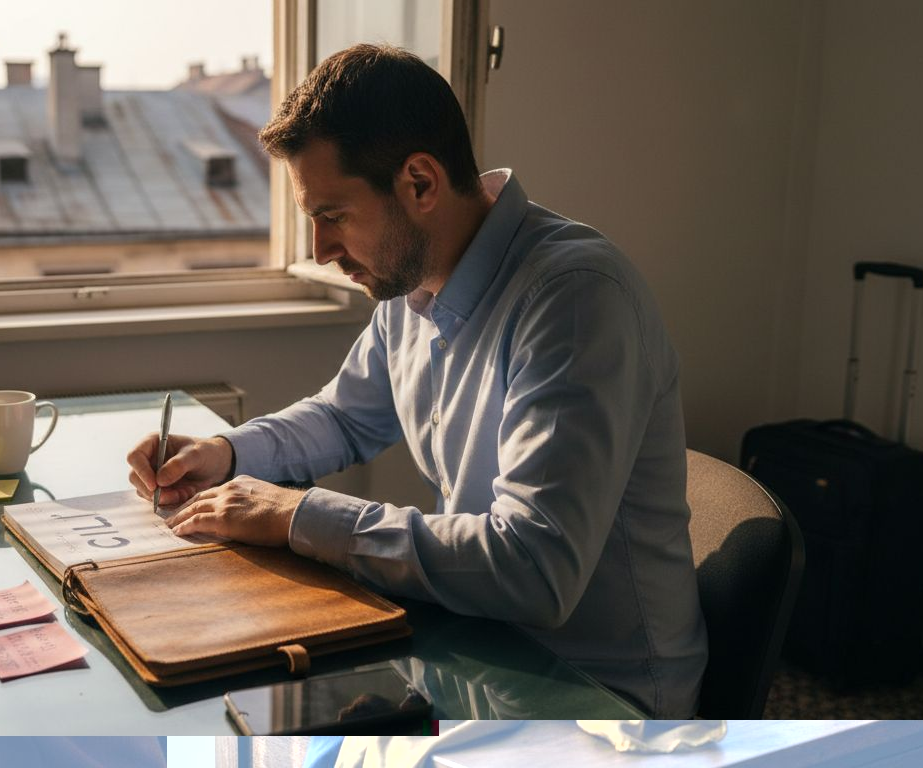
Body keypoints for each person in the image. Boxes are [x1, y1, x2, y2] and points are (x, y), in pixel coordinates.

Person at [126, 43, 707, 718]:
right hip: (474, 658)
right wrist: (227, 455)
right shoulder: (414, 285)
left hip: (599, 703)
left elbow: (533, 568)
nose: (321, 252)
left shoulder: (575, 299)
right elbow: (346, 416)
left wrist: (297, 516)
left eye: (333, 217)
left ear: (421, 184)